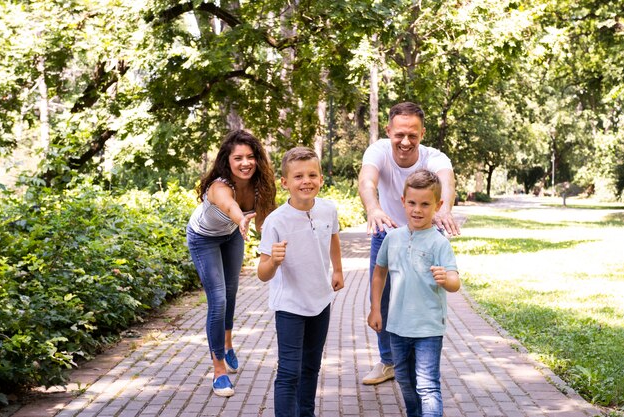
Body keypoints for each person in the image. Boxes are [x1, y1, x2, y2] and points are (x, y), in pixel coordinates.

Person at [358, 102, 460, 385]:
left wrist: (445, 209)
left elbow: (446, 183)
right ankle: (388, 361)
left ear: (422, 133)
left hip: (425, 231)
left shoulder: (434, 156)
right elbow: (367, 181)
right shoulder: (377, 151)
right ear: (389, 130)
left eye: (412, 135)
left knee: (423, 296)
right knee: (382, 297)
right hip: (387, 231)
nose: (405, 141)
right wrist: (373, 209)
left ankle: (421, 361)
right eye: (399, 134)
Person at [186, 130, 276, 397]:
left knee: (232, 291)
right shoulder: (219, 186)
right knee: (218, 299)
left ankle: (227, 344)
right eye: (238, 158)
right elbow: (228, 207)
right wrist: (240, 219)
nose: (245, 163)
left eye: (250, 157)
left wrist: (273, 246)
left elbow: (263, 225)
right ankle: (219, 372)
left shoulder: (261, 187)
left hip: (232, 235)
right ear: (228, 159)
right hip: (204, 238)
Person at [257, 147, 344, 417]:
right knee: (289, 371)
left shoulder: (328, 209)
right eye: (298, 176)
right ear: (285, 183)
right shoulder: (275, 221)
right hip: (290, 306)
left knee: (311, 368)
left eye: (312, 175)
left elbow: (333, 237)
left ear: (320, 179)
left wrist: (338, 271)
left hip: (321, 301)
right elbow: (262, 273)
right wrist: (273, 261)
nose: (306, 181)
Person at [367, 169, 461, 417]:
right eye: (412, 203)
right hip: (396, 327)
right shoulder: (392, 238)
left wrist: (446, 279)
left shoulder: (439, 242)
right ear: (403, 202)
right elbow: (379, 273)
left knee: (427, 386)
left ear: (438, 205)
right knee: (406, 384)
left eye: (425, 204)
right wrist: (376, 308)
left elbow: (455, 281)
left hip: (428, 328)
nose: (417, 209)